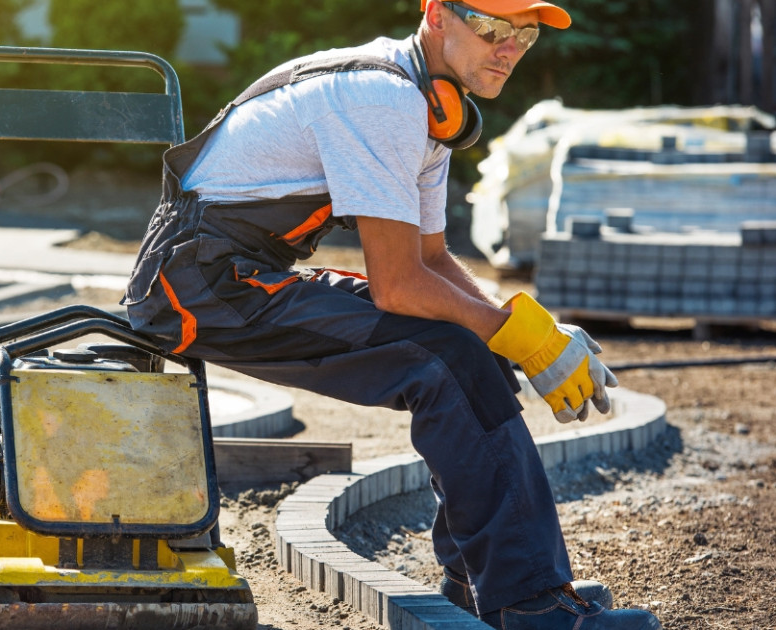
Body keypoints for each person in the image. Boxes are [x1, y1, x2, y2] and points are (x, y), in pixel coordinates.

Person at [122, 1, 662, 628]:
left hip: (235, 275)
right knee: (445, 359)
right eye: (491, 27)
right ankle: (531, 604)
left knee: (468, 342)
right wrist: (523, 340)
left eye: (526, 33)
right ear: (437, 14)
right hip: (196, 287)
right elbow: (399, 286)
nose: (508, 47)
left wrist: (524, 328)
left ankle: (483, 579)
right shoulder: (383, 99)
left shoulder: (430, 103)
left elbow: (430, 259)